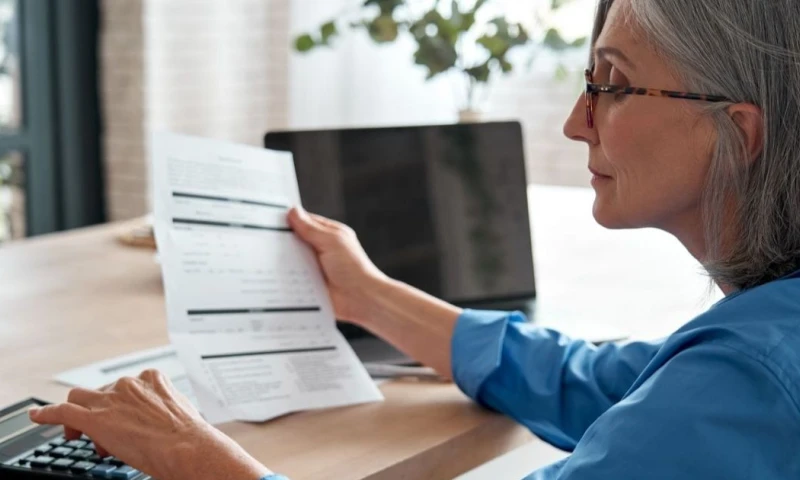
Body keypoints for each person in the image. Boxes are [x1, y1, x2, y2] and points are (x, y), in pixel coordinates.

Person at [27, 0, 800, 478]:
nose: (575, 122)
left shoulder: (751, 382)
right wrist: (370, 295)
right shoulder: (760, 341)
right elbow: (596, 382)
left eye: (614, 83)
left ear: (735, 131)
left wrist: (190, 456)